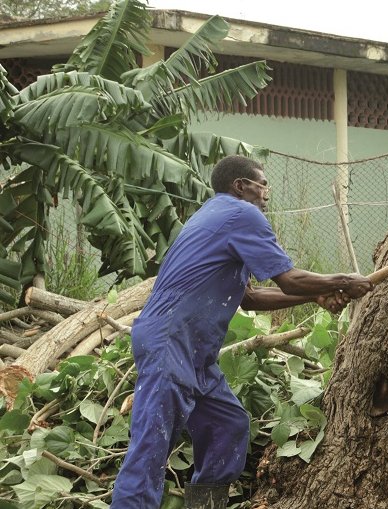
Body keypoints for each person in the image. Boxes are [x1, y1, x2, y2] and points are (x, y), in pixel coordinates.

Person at [110, 155, 373, 508]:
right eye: (262, 185)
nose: (267, 194)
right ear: (240, 187)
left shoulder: (216, 216)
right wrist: (342, 280)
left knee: (228, 426)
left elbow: (248, 298)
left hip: (194, 350)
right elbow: (288, 279)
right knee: (151, 447)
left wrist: (316, 293)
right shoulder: (242, 214)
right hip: (170, 340)